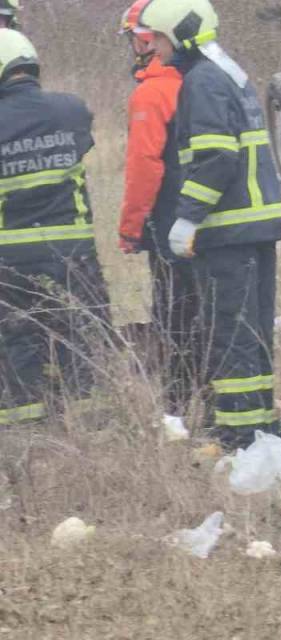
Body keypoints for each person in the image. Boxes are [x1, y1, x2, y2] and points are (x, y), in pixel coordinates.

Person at [136, 0, 281, 449]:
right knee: (254, 331)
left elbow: (216, 157)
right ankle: (260, 425)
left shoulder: (201, 82)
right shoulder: (229, 74)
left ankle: (239, 432)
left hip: (228, 231)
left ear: (179, 36)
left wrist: (187, 218)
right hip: (254, 227)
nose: (156, 49)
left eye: (159, 39)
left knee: (232, 330)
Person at [0, 29, 112, 426]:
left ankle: (26, 432)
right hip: (72, 252)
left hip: (10, 257)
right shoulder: (71, 109)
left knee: (17, 344)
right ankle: (93, 428)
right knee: (81, 337)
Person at [118, 0, 198, 431]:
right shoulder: (200, 81)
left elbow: (144, 167)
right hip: (207, 220)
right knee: (206, 308)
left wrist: (130, 230)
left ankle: (178, 404)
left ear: (148, 39)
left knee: (174, 314)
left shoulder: (151, 92)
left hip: (168, 223)